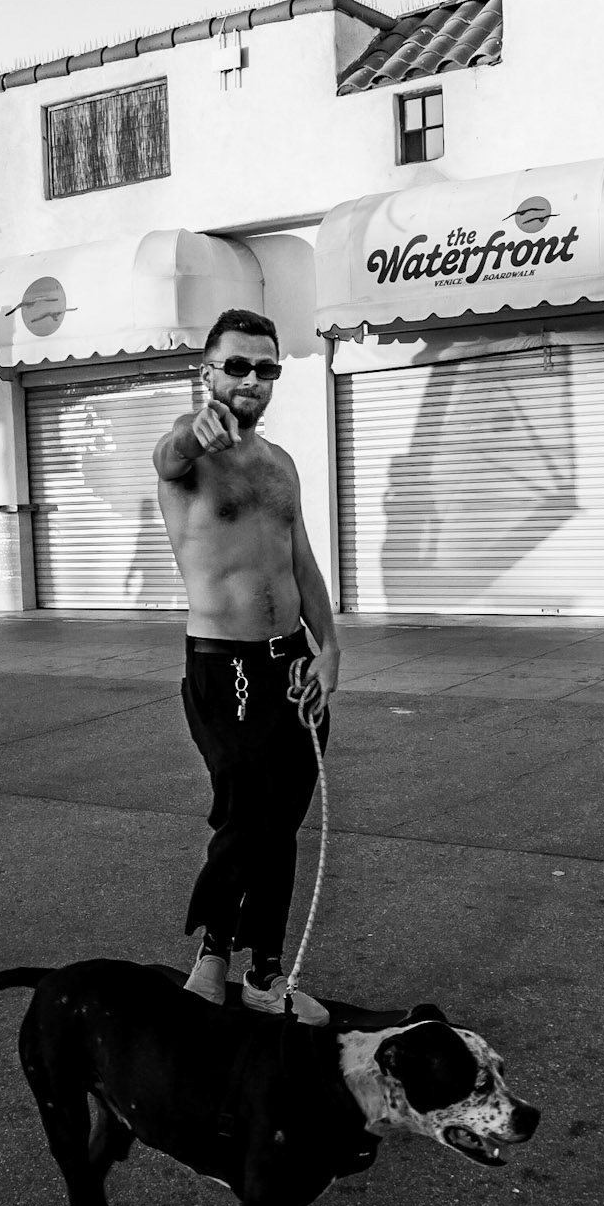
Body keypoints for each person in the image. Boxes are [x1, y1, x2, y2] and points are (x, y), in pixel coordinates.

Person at [153, 309, 339, 1024]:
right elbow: (171, 453)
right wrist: (190, 430)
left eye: (265, 368)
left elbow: (301, 561)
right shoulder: (189, 454)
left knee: (281, 823)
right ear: (207, 371)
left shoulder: (281, 464)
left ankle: (262, 970)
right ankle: (211, 949)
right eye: (236, 366)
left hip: (290, 665)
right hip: (221, 668)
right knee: (246, 814)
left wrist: (331, 647)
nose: (251, 380)